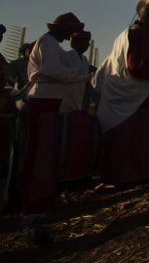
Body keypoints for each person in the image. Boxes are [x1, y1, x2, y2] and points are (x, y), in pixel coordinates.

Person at [95, 0, 149, 185]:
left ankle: (132, 173)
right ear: (148, 15)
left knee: (131, 139)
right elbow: (137, 67)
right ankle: (129, 175)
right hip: (136, 98)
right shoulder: (139, 35)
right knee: (135, 139)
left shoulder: (129, 34)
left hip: (129, 96)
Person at [21, 13, 91, 215]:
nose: (71, 35)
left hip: (50, 99)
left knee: (47, 151)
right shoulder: (48, 43)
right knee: (40, 152)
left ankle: (43, 198)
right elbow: (52, 69)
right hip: (44, 98)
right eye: (70, 31)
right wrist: (77, 76)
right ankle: (35, 203)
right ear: (63, 29)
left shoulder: (51, 44)